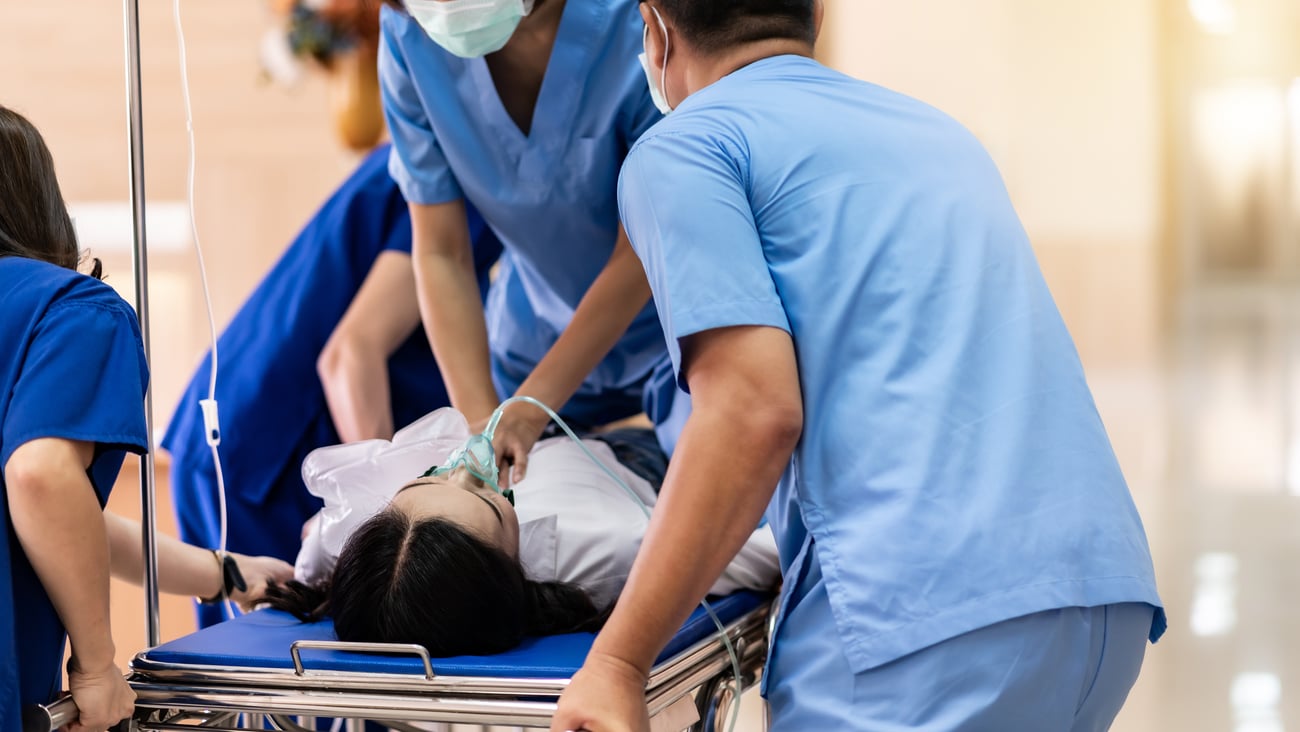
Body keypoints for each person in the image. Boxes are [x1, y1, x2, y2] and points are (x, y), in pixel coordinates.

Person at [553, 3, 1167, 731]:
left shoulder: (689, 148)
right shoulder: (937, 133)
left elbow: (752, 412)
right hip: (1097, 599)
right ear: (814, 11)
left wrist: (617, 663)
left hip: (926, 628)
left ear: (653, 26)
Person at [162, 144, 503, 627]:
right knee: (298, 667)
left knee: (256, 677)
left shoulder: (407, 161)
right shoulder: (451, 186)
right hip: (269, 462)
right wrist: (380, 510)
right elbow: (349, 356)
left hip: (231, 440)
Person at [378, 0, 689, 478]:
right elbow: (442, 252)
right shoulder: (410, 37)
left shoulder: (636, 20)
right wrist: (484, 428)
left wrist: (528, 409)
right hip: (537, 333)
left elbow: (645, 245)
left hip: (681, 325)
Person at [265, 407, 778, 657]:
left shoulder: (364, 547)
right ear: (514, 566)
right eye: (488, 497)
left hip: (546, 432)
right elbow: (771, 555)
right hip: (631, 461)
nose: (466, 464)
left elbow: (319, 549)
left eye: (431, 477)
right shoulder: (619, 549)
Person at [0, 105, 148, 732]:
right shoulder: (69, 309)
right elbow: (39, 479)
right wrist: (95, 666)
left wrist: (222, 572)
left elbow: (56, 518)